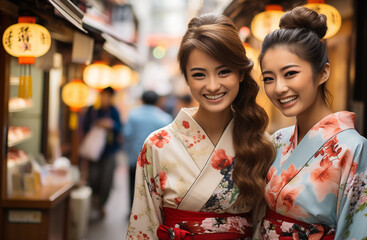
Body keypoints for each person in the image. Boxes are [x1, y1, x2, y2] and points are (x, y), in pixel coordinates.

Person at [127, 13, 275, 240]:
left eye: (224, 71)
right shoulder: (158, 146)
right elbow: (143, 228)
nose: (213, 86)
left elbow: (263, 227)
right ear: (186, 78)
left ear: (241, 73)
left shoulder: (261, 144)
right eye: (199, 75)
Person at [258, 6, 367, 240]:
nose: (279, 88)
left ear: (323, 73)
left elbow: (355, 231)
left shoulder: (355, 149)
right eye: (268, 78)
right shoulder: (277, 141)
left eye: (290, 73)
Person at [123, 90, 173, 214]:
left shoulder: (133, 115)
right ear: (157, 101)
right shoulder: (164, 118)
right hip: (155, 160)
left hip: (134, 157)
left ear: (142, 100)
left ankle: (132, 209)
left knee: (133, 184)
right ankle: (149, 212)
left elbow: (126, 134)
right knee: (153, 187)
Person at [81, 86, 122, 219]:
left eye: (108, 96)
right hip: (94, 151)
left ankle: (101, 205)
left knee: (107, 180)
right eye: (103, 95)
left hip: (110, 151)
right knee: (93, 177)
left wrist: (111, 125)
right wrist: (98, 123)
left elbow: (120, 128)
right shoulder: (93, 110)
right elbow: (85, 126)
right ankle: (93, 200)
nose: (105, 98)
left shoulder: (114, 111)